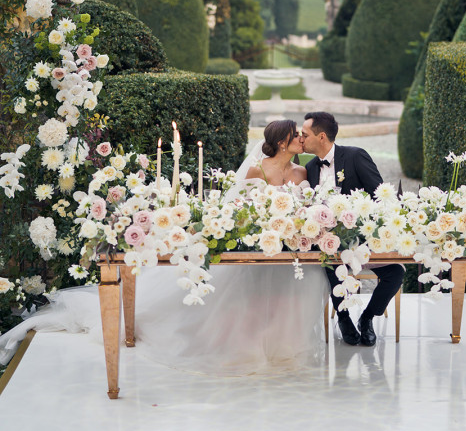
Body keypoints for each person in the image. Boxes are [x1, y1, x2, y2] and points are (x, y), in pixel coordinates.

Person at [0, 120, 327, 375]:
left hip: (288, 246)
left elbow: (307, 205)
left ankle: (281, 344)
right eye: (297, 134)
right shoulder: (257, 169)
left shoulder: (301, 171)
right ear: (283, 140)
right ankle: (246, 344)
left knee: (306, 282)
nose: (302, 138)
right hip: (255, 243)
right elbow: (238, 207)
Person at [301, 110, 405, 348]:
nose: (301, 138)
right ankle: (344, 319)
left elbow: (381, 195)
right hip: (331, 244)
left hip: (364, 240)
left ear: (322, 137)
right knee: (330, 263)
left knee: (396, 273)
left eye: (304, 134)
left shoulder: (356, 156)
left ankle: (368, 317)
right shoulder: (310, 167)